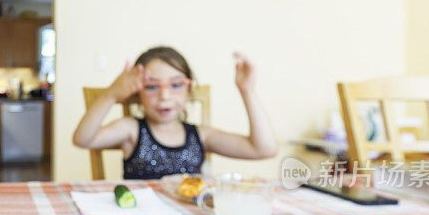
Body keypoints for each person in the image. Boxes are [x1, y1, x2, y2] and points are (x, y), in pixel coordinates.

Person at [73, 46, 279, 179]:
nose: (164, 96)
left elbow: (265, 149)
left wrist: (247, 91)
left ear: (188, 89)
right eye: (152, 86)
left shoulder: (202, 135)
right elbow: (83, 140)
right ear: (138, 93)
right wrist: (111, 95)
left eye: (176, 85)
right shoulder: (131, 130)